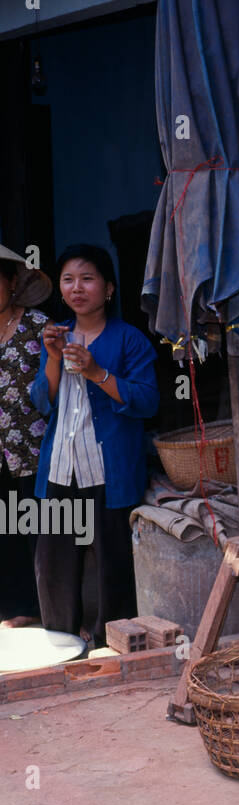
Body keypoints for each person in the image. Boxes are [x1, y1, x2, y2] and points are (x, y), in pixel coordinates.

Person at [30, 243, 159, 646]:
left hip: (109, 469)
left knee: (112, 563)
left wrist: (97, 371)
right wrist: (53, 358)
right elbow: (42, 401)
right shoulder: (57, 335)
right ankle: (62, 641)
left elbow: (147, 401)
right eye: (68, 280)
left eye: (87, 279)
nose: (76, 288)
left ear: (108, 289)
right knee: (54, 563)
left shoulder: (129, 339)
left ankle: (112, 644)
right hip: (61, 465)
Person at [0, 244, 51, 628]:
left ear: (13, 282)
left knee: (40, 528)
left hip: (34, 445)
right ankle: (17, 607)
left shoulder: (38, 325)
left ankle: (50, 609)